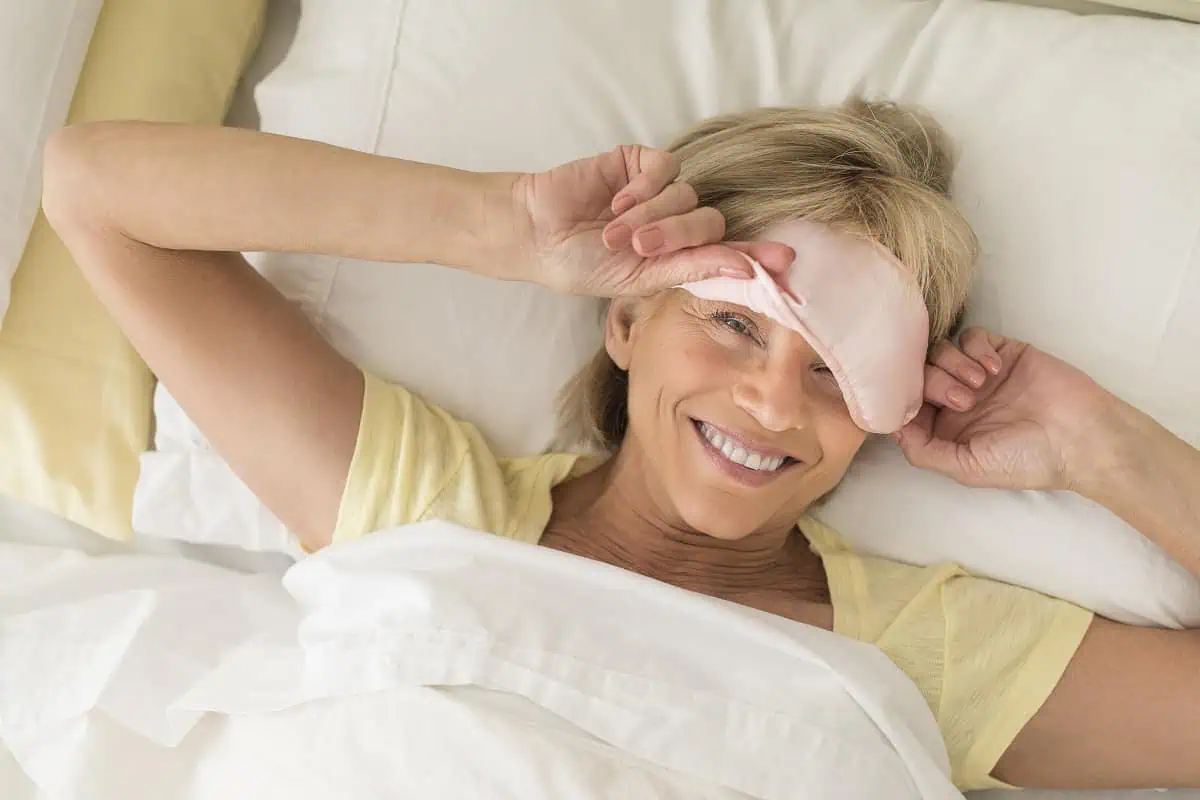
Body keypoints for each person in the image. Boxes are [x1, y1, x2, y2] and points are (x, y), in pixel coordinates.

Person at [41, 99, 1199, 792]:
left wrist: (1105, 448)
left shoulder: (927, 646)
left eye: (839, 372)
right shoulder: (433, 510)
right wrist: (492, 228)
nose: (769, 398)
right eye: (734, 322)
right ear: (629, 314)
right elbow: (90, 186)